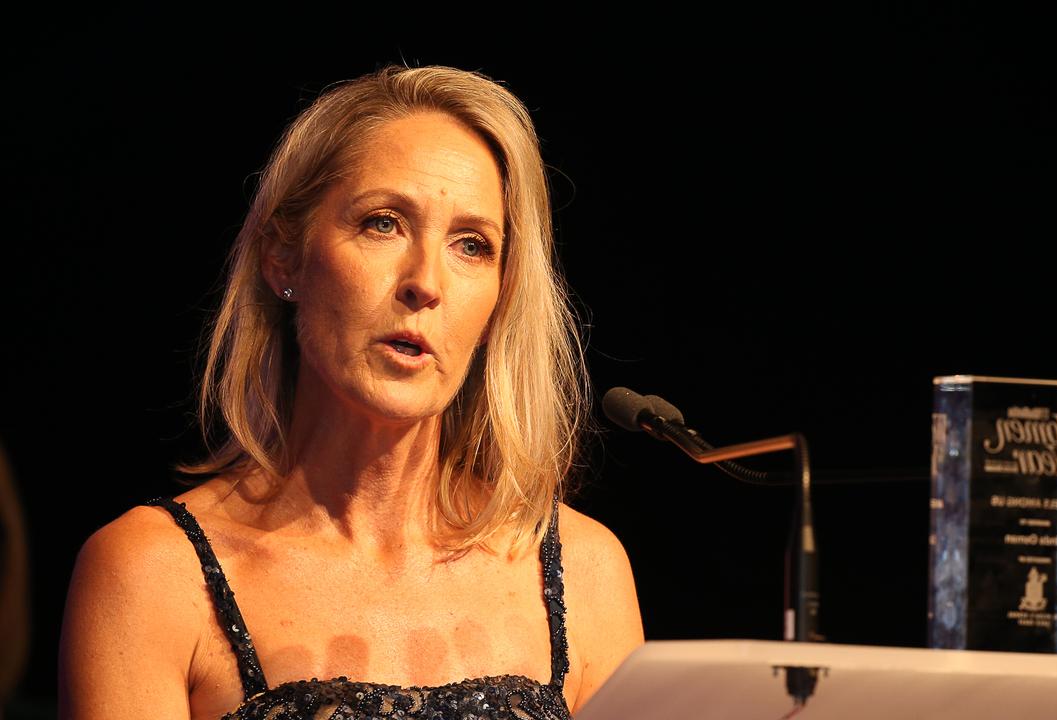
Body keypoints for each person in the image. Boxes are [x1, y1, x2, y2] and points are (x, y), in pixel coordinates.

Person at [58, 65, 644, 720]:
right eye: (383, 223)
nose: (427, 282)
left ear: (500, 302)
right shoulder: (150, 574)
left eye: (471, 245)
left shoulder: (584, 572)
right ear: (284, 257)